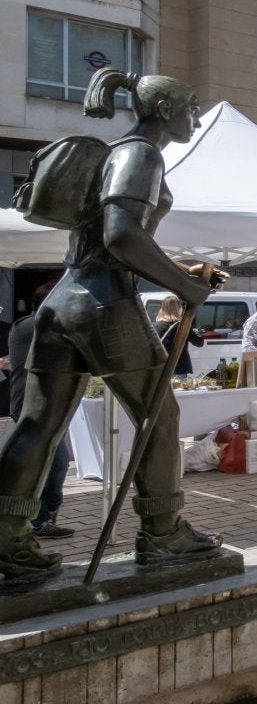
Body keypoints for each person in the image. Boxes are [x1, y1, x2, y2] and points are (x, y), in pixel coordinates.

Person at [0, 67, 225, 579]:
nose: (195, 116)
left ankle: (6, 539)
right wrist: (185, 288)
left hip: (64, 302)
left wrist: (178, 270)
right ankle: (163, 533)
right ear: (165, 110)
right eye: (191, 105)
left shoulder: (120, 152)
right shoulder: (141, 154)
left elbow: (113, 238)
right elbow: (122, 235)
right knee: (159, 417)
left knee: (39, 424)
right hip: (104, 304)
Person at [9, 283, 74, 539]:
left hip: (50, 406)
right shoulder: (29, 326)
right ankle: (40, 517)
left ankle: (43, 516)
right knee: (54, 463)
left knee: (54, 464)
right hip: (30, 408)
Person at [153, 295, 205, 376]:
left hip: (160, 367)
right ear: (179, 309)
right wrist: (201, 334)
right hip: (179, 367)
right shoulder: (183, 326)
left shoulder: (154, 326)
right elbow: (199, 343)